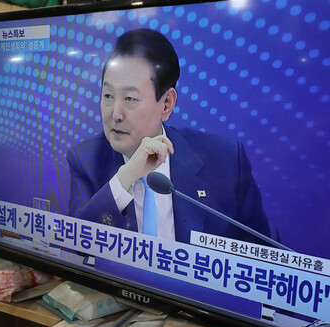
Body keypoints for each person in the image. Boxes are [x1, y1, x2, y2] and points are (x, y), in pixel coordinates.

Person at [67, 28, 276, 246]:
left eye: (130, 98)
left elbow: (263, 251)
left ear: (167, 103)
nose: (115, 114)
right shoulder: (86, 159)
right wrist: (125, 178)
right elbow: (77, 246)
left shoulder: (226, 159)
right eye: (108, 96)